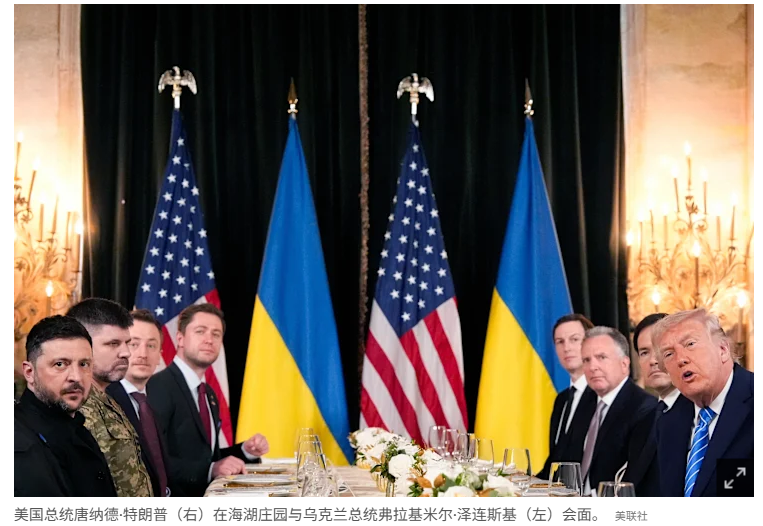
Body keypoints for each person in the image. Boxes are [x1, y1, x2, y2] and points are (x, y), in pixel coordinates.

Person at [148, 303, 270, 497]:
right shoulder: (158, 386)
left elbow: (208, 457)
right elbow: (152, 460)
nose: (209, 340)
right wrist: (210, 469)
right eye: (200, 331)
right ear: (180, 338)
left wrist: (245, 451)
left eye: (216, 334)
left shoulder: (208, 393)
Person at [653, 308, 753, 497]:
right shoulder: (668, 422)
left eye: (690, 344)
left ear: (723, 350)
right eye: (668, 354)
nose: (680, 359)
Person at [15, 315, 117, 497]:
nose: (76, 377)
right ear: (29, 372)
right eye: (60, 364)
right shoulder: (19, 442)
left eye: (84, 364)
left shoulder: (77, 427)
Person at [68, 298, 153, 497]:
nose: (126, 353)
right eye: (113, 344)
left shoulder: (108, 399)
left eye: (127, 343)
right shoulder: (76, 405)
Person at [571, 326, 658, 496]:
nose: (592, 367)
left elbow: (632, 482)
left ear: (624, 364)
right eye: (586, 360)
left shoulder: (645, 409)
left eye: (601, 357)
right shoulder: (585, 403)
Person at [106, 309, 171, 497]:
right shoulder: (105, 401)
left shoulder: (152, 403)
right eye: (134, 344)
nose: (143, 354)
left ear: (159, 356)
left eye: (151, 346)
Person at [538, 314, 597, 480]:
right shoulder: (562, 400)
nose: (566, 348)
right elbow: (555, 462)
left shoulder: (602, 396)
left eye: (574, 339)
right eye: (560, 342)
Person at [635, 313, 679, 410]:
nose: (652, 360)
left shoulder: (700, 409)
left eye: (660, 349)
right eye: (644, 353)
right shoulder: (647, 412)